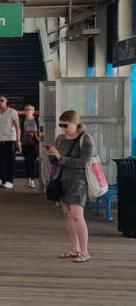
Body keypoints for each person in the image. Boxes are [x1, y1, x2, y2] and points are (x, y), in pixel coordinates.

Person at [46, 111, 93, 263]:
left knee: (77, 215)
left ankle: (85, 251)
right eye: (61, 125)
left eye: (65, 125)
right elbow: (55, 161)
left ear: (76, 123)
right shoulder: (60, 138)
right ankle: (75, 248)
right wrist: (53, 155)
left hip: (78, 181)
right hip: (61, 179)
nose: (63, 128)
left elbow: (83, 163)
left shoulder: (85, 139)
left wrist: (61, 158)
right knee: (67, 214)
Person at [0, 96, 21, 188]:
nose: (0, 102)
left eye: (2, 100)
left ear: (6, 101)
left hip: (10, 139)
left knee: (9, 161)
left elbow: (17, 126)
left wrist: (18, 140)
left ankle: (9, 181)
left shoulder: (12, 112)